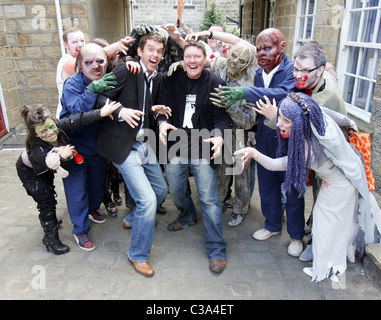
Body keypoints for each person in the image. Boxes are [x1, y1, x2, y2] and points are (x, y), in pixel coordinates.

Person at [235, 92, 381, 283]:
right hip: (345, 175)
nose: (279, 124)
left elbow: (273, 165)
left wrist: (254, 153)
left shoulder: (307, 150)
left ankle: (327, 267)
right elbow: (338, 116)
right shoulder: (315, 114)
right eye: (280, 118)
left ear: (299, 122)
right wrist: (351, 124)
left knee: (325, 225)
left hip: (339, 186)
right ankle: (324, 257)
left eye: (286, 121)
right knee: (335, 223)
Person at [212, 28, 305, 257]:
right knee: (266, 185)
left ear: (282, 47)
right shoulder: (258, 73)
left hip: (289, 139)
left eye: (268, 48)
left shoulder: (291, 70)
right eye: (260, 48)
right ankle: (272, 225)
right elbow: (258, 109)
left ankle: (295, 235)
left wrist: (244, 92)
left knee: (292, 189)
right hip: (264, 136)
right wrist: (253, 130)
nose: (262, 52)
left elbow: (282, 93)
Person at [94, 32, 170, 277]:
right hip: (122, 145)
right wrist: (119, 112)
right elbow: (99, 96)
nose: (155, 55)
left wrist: (157, 113)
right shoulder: (128, 70)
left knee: (160, 190)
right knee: (148, 200)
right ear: (139, 51)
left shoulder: (155, 78)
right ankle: (137, 255)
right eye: (151, 49)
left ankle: (135, 220)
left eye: (159, 51)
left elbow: (150, 107)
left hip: (143, 142)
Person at [157, 41, 231, 273]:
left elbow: (221, 117)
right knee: (176, 190)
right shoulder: (172, 80)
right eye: (188, 56)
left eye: (197, 56)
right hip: (176, 144)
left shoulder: (216, 83)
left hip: (202, 145)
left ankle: (217, 250)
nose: (192, 61)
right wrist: (160, 123)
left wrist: (220, 136)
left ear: (205, 59)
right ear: (183, 59)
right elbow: (162, 110)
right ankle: (188, 215)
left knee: (209, 200)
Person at [15, 101, 120, 255]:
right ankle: (54, 237)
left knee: (91, 185)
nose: (50, 133)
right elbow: (60, 170)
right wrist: (63, 158)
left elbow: (78, 120)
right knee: (47, 202)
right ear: (36, 134)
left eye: (52, 127)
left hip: (53, 166)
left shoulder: (57, 126)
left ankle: (90, 211)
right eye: (43, 131)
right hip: (32, 172)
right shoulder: (36, 149)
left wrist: (100, 113)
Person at [60, 42, 126, 251]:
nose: (95, 66)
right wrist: (91, 90)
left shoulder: (108, 79)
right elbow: (77, 110)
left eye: (100, 61)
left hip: (96, 146)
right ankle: (80, 230)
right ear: (80, 64)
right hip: (74, 146)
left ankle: (91, 209)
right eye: (88, 62)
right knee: (77, 189)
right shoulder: (72, 84)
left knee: (97, 184)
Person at [188, 29, 258, 226]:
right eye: (233, 55)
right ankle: (218, 203)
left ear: (249, 64)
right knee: (220, 169)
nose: (234, 62)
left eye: (241, 60)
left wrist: (230, 104)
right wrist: (178, 65)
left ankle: (240, 208)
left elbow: (248, 121)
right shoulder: (220, 64)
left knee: (241, 174)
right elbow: (199, 63)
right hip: (218, 129)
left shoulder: (251, 85)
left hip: (238, 133)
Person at [56, 28, 86, 118]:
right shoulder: (68, 62)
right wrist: (116, 46)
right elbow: (96, 57)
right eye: (74, 42)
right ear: (66, 45)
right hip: (68, 117)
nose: (80, 45)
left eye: (82, 41)